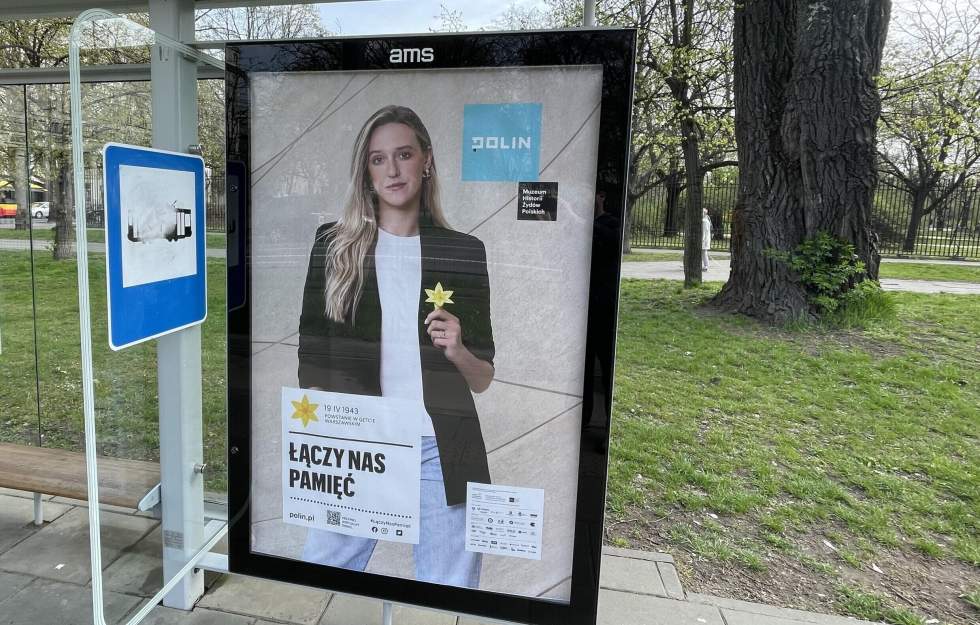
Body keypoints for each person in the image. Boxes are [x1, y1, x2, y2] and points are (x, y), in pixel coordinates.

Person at [295, 105, 495, 589]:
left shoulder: (463, 250)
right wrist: (338, 439)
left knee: (448, 590)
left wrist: (458, 350)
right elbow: (310, 362)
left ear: (426, 160)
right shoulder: (334, 245)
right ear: (366, 171)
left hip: (441, 446)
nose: (392, 170)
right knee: (320, 571)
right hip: (361, 445)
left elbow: (482, 377)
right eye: (378, 159)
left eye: (403, 154)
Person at [701, 208, 712, 272]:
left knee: (704, 253)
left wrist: (702, 240)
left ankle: (706, 266)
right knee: (704, 253)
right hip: (705, 240)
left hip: (704, 240)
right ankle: (705, 266)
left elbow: (704, 232)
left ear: (704, 213)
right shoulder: (705, 220)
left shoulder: (704, 221)